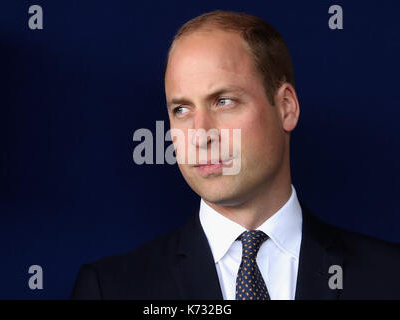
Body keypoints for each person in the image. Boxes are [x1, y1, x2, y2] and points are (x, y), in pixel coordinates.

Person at [71, 10, 400, 300]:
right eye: (182, 109)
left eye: (223, 101)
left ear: (286, 107)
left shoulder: (388, 278)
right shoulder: (111, 289)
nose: (201, 134)